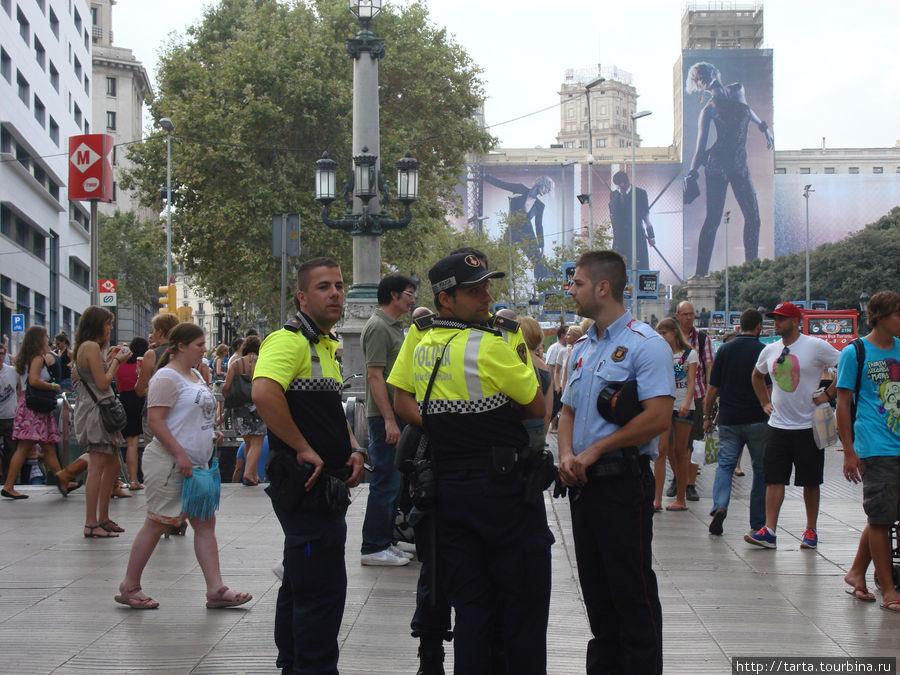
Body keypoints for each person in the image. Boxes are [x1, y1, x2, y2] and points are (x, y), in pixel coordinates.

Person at [388, 251, 552, 675]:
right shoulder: (491, 345)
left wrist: (444, 428)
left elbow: (400, 397)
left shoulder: (421, 340)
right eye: (473, 290)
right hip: (503, 492)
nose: (485, 295)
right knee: (523, 602)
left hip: (448, 487)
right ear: (446, 298)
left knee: (472, 606)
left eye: (486, 286)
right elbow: (535, 407)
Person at [557, 250, 673, 674]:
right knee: (597, 593)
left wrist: (596, 450)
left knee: (631, 590)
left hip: (623, 484)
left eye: (578, 283)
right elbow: (567, 410)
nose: (571, 290)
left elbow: (658, 418)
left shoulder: (647, 345)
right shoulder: (584, 346)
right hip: (584, 486)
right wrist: (567, 454)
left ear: (603, 288)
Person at [252, 257, 364, 674]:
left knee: (301, 583)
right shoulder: (289, 340)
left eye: (338, 285)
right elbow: (264, 395)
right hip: (307, 484)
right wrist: (302, 447)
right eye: (323, 287)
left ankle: (293, 664)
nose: (334, 293)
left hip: (326, 483)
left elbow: (330, 410)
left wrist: (353, 447)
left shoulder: (323, 344)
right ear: (302, 296)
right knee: (322, 591)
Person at [116, 322, 251, 610]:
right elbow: (156, 421)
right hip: (170, 464)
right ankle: (130, 585)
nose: (204, 350)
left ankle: (216, 589)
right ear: (181, 346)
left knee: (204, 524)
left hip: (197, 465)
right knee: (157, 522)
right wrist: (179, 454)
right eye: (199, 345)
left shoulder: (193, 375)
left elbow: (191, 415)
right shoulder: (166, 377)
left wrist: (208, 434)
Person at [746, 302, 840, 550]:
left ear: (796, 321)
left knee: (810, 481)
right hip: (778, 426)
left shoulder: (815, 346)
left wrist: (828, 394)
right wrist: (764, 402)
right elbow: (757, 375)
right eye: (774, 319)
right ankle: (770, 530)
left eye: (781, 319)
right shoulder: (770, 349)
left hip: (809, 426)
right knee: (774, 479)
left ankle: (811, 530)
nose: (776, 323)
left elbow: (845, 365)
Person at [836, 291, 900, 611]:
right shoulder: (856, 352)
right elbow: (843, 403)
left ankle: (857, 571)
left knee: (884, 515)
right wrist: (849, 450)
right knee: (880, 518)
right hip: (876, 447)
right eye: (897, 314)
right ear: (879, 316)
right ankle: (888, 589)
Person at [685, 61, 774, 276]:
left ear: (714, 73)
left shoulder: (738, 89)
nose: (704, 79)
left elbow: (747, 109)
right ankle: (700, 275)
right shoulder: (710, 109)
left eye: (705, 74)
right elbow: (700, 147)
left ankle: (751, 271)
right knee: (713, 219)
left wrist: (764, 129)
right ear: (699, 85)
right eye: (700, 78)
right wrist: (692, 173)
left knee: (754, 217)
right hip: (717, 165)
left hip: (738, 163)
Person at [360, 274, 418, 566]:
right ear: (394, 296)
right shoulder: (379, 327)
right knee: (384, 480)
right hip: (384, 415)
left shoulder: (394, 327)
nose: (413, 300)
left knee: (394, 481)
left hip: (396, 413)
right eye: (409, 294)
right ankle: (372, 547)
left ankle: (386, 540)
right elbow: (374, 376)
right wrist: (389, 421)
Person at [703, 309, 769, 536]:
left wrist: (707, 417)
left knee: (725, 466)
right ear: (759, 327)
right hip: (758, 418)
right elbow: (769, 387)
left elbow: (713, 388)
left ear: (739, 326)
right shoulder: (764, 351)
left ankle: (720, 505)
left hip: (730, 418)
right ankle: (758, 521)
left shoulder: (725, 350)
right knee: (761, 470)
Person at [73, 307, 129, 532]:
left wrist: (108, 358)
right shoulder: (90, 347)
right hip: (96, 412)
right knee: (97, 465)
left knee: (113, 464)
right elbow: (103, 382)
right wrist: (117, 361)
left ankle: (103, 517)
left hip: (96, 408)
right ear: (98, 325)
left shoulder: (87, 348)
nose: (111, 328)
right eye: (108, 323)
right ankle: (91, 522)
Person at [3, 326, 64, 499]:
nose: (48, 339)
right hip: (35, 408)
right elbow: (34, 380)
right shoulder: (37, 357)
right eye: (45, 336)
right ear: (39, 339)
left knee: (47, 446)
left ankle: (64, 480)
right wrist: (53, 386)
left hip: (27, 404)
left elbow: (23, 384)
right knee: (25, 447)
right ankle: (9, 486)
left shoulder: (24, 358)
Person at [652, 317, 698, 512]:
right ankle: (656, 499)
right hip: (664, 406)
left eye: (665, 333)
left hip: (682, 405)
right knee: (661, 450)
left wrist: (687, 402)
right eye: (659, 333)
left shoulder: (689, 354)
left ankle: (681, 497)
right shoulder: (658, 354)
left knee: (680, 452)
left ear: (674, 333)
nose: (662, 337)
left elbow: (691, 382)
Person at [671, 301, 713, 501]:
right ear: (677, 315)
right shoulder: (670, 338)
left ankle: (690, 483)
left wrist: (709, 397)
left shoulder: (703, 339)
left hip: (696, 396)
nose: (689, 317)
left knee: (696, 443)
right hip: (673, 399)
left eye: (692, 314)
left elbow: (709, 367)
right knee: (673, 445)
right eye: (685, 314)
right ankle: (677, 479)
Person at [483, 173, 553, 280]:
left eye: (548, 190)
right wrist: (485, 177)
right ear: (540, 184)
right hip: (512, 229)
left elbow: (539, 226)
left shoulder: (540, 205)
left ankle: (544, 284)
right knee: (502, 257)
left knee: (538, 263)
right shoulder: (520, 189)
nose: (547, 191)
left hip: (527, 232)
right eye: (546, 188)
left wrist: (541, 245)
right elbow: (502, 184)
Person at [222, 335, 266, 486]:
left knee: (248, 442)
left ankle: (253, 475)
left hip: (239, 407)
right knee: (257, 441)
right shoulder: (263, 362)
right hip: (258, 405)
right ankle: (249, 472)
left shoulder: (235, 363)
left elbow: (226, 387)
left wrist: (228, 398)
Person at [117, 337, 149, 490]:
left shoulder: (120, 365)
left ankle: (131, 479)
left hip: (124, 401)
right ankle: (139, 480)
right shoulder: (142, 365)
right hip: (139, 400)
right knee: (138, 443)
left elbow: (117, 385)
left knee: (128, 443)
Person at [608, 171, 656, 271]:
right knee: (619, 266)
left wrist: (651, 235)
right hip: (620, 238)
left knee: (639, 265)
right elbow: (613, 215)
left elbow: (646, 216)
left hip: (637, 236)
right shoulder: (614, 195)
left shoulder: (640, 193)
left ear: (625, 182)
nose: (620, 188)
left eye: (621, 185)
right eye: (618, 186)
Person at [520, 316, 554, 453]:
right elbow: (549, 410)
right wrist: (542, 433)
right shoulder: (544, 367)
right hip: (537, 431)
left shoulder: (518, 362)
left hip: (520, 431)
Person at [545, 326, 567, 432]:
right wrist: (553, 384)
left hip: (563, 384)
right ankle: (548, 428)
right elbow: (550, 366)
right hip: (556, 385)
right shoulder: (555, 348)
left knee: (559, 407)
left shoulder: (567, 348)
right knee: (553, 408)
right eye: (568, 333)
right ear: (563, 335)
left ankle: (553, 427)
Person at [0, 344, 17, 482]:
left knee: (11, 451)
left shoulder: (12, 371)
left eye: (1, 353)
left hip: (10, 417)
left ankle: (8, 480)